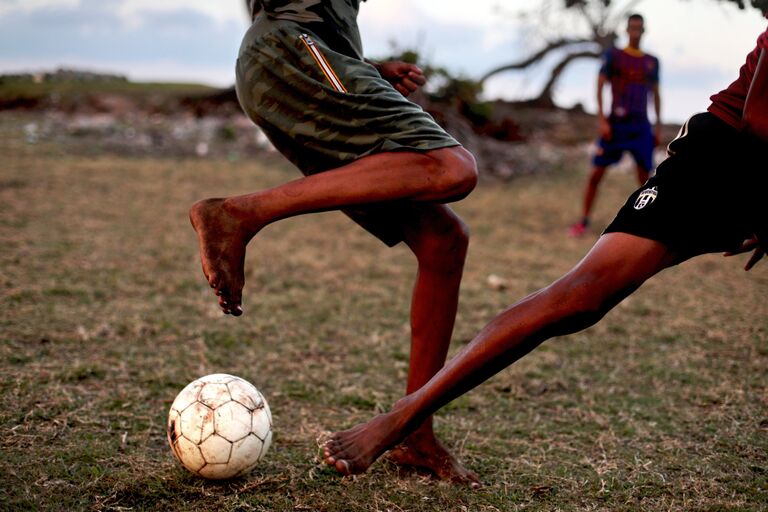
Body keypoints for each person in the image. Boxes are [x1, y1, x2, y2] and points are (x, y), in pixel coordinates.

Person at [324, 25, 767, 483]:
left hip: (741, 170)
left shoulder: (650, 62)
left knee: (584, 299)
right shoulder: (619, 58)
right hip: (722, 162)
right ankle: (404, 417)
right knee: (581, 296)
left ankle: (410, 421)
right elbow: (758, 123)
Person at [189, 0, 481, 484]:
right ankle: (238, 214)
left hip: (304, 58)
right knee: (452, 167)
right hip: (292, 52)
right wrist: (327, 60)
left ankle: (415, 432)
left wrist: (363, 68)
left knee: (442, 239)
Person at [569, 13, 662, 237]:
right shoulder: (614, 56)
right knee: (596, 174)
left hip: (641, 125)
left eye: (639, 28)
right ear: (627, 30)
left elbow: (656, 94)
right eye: (632, 28)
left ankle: (647, 225)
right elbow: (599, 86)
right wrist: (601, 120)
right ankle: (583, 221)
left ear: (644, 31)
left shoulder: (651, 61)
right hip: (616, 124)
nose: (636, 32)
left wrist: (657, 126)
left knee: (646, 179)